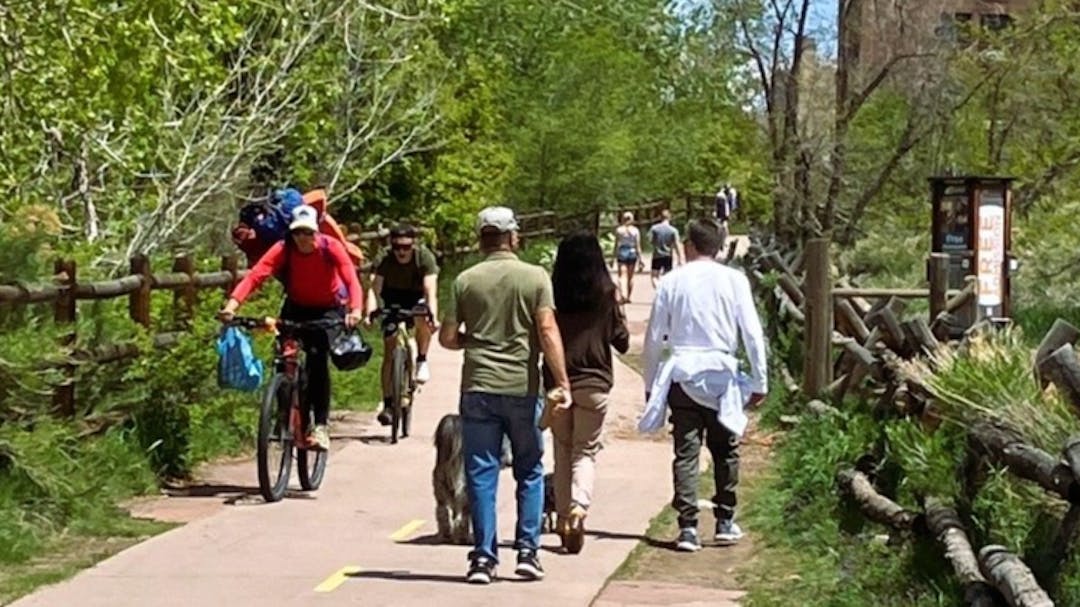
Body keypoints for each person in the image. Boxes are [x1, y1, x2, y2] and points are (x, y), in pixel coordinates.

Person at [439, 206, 572, 585]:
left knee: (481, 472)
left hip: (478, 386)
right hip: (522, 388)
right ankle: (528, 552)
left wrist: (474, 340)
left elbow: (448, 338)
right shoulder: (535, 278)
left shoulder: (466, 280)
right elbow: (547, 330)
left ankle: (483, 558)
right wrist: (561, 381)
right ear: (514, 237)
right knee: (529, 469)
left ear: (482, 238)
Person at [640, 218, 767, 552]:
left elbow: (654, 337)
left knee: (686, 451)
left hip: (683, 374)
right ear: (719, 246)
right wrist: (759, 379)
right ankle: (725, 519)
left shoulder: (671, 281)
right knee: (725, 449)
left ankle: (688, 527)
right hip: (722, 375)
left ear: (689, 245)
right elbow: (752, 333)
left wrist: (651, 383)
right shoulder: (734, 280)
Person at [219, 205, 364, 451]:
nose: (302, 238)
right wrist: (231, 306)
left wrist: (356, 309)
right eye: (298, 233)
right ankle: (283, 415)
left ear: (316, 232)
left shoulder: (330, 247)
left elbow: (350, 277)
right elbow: (256, 276)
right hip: (295, 307)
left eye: (307, 233)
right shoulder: (283, 249)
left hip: (327, 310)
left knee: (318, 361)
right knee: (283, 359)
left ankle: (320, 426)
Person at [543, 231, 630, 555]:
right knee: (585, 451)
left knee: (562, 450)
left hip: (556, 382)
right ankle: (579, 507)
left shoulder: (551, 295)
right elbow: (621, 341)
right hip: (594, 383)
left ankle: (564, 518)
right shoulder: (606, 295)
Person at [365, 223, 439, 426]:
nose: (401, 252)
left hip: (416, 295)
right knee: (389, 349)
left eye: (406, 247)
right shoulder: (384, 258)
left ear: (413, 245)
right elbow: (374, 289)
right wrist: (369, 312)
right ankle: (388, 402)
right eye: (397, 247)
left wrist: (433, 314)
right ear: (392, 245)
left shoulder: (424, 257)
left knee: (423, 317)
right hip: (392, 296)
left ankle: (422, 359)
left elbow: (430, 289)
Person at [612, 212, 644, 304]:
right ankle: (629, 296)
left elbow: (616, 244)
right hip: (632, 252)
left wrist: (613, 257)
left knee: (622, 275)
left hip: (622, 251)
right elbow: (638, 245)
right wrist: (640, 259)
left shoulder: (619, 230)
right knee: (631, 276)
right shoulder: (635, 231)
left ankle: (623, 294)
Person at [647, 209, 683, 288]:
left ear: (660, 217)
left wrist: (655, 244)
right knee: (667, 276)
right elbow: (677, 244)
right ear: (669, 217)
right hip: (668, 255)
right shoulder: (673, 230)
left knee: (654, 276)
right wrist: (680, 257)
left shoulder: (654, 229)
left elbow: (650, 240)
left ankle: (658, 289)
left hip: (657, 255)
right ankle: (665, 291)